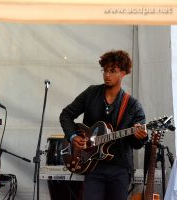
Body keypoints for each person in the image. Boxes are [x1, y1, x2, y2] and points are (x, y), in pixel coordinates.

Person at [59, 50, 148, 200]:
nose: (107, 75)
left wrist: (140, 137)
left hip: (120, 168)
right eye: (105, 70)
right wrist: (73, 136)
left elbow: (136, 144)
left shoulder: (132, 105)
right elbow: (66, 115)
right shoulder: (91, 93)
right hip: (93, 166)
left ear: (124, 73)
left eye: (112, 71)